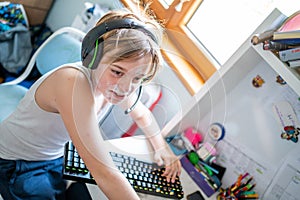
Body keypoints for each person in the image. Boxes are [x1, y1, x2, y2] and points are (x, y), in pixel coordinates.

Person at [0, 6, 181, 200]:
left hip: (52, 156)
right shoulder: (72, 82)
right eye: (118, 71)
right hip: (18, 162)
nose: (127, 87)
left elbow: (143, 115)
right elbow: (103, 172)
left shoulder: (114, 84)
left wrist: (162, 149)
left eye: (138, 78)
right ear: (92, 57)